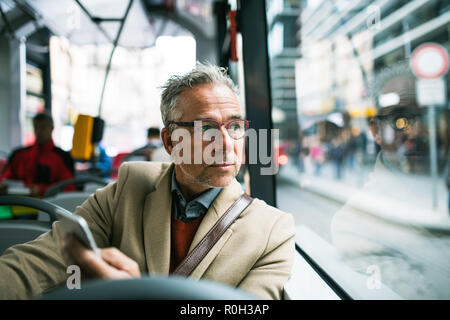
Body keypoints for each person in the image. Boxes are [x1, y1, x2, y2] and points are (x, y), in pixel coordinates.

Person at [0, 63, 295, 300]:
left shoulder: (272, 230)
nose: (226, 144)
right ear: (169, 141)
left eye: (234, 126)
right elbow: (35, 264)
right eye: (206, 128)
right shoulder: (126, 191)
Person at [330, 60, 450, 299]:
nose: (417, 133)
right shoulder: (353, 223)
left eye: (428, 117)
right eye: (399, 120)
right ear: (375, 131)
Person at [0, 112, 75, 196]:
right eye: (36, 127)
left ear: (51, 128)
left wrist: (42, 190)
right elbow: (6, 179)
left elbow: (69, 188)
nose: (38, 131)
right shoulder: (19, 155)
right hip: (17, 203)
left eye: (43, 128)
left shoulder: (62, 158)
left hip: (48, 205)